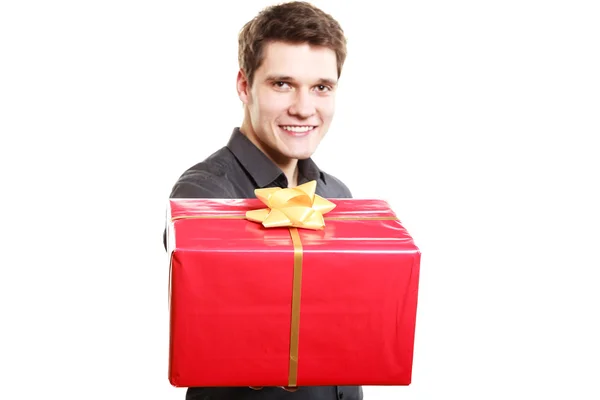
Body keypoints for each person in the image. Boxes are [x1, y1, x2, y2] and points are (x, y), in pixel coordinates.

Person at [164, 2, 362, 399]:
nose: (304, 109)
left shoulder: (337, 195)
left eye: (321, 87)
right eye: (282, 84)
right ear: (244, 86)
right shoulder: (205, 196)